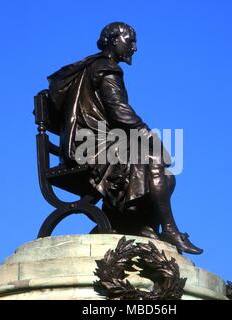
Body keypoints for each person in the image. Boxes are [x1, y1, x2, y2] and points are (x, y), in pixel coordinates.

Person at [46, 22, 202, 254]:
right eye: (130, 40)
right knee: (154, 159)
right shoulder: (106, 69)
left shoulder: (93, 67)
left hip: (87, 144)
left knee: (166, 178)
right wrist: (150, 136)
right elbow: (120, 113)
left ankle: (140, 225)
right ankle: (169, 229)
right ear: (113, 40)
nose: (135, 47)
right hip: (91, 147)